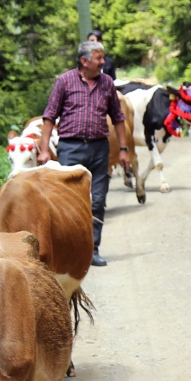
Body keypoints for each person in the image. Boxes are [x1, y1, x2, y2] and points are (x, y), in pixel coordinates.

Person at [38, 41, 134, 265]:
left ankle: (92, 250)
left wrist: (123, 150)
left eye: (103, 58)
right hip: (70, 148)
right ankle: (67, 250)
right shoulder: (64, 81)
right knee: (66, 200)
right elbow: (49, 116)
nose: (103, 62)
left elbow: (118, 118)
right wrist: (44, 151)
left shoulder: (107, 83)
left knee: (98, 200)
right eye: (99, 58)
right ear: (84, 61)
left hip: (100, 149)